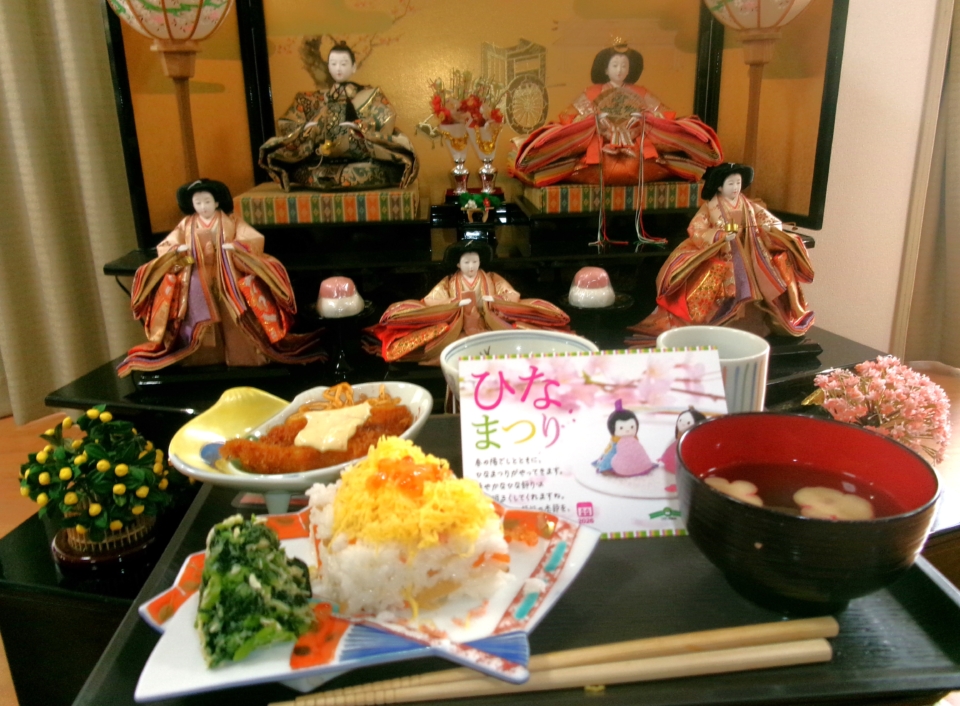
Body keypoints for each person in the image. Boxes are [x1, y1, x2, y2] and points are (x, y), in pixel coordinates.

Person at [118, 179, 324, 377]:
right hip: (195, 272)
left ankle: (244, 357)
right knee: (195, 315)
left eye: (207, 201)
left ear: (216, 202)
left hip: (228, 273)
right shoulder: (186, 224)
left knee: (235, 315)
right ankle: (203, 359)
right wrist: (177, 251)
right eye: (198, 203)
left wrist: (236, 247)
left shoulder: (231, 221)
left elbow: (252, 238)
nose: (203, 207)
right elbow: (167, 246)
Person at [626, 163, 815, 344]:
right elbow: (696, 229)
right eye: (731, 183)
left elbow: (767, 219)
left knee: (768, 277)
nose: (735, 187)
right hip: (722, 252)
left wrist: (768, 226)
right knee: (712, 281)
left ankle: (755, 324)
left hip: (751, 252)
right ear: (719, 186)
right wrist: (719, 236)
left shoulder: (747, 204)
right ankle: (719, 324)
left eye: (738, 183)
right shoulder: (710, 207)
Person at [510, 41, 723, 187]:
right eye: (615, 65)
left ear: (630, 69)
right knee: (575, 143)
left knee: (661, 143)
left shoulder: (640, 92)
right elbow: (570, 119)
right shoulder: (592, 92)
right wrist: (595, 122)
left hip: (635, 143)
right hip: (601, 143)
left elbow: (664, 116)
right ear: (605, 69)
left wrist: (642, 121)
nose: (619, 70)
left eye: (624, 65)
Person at [364, 240, 571, 364]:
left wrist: (495, 300)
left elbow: (511, 294)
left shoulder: (491, 278)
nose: (471, 266)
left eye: (475, 262)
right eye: (466, 262)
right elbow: (433, 299)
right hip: (459, 326)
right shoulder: (450, 281)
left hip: (490, 323)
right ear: (458, 264)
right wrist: (454, 302)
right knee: (436, 346)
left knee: (518, 339)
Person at [259, 42, 418, 191]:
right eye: (333, 64)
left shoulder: (370, 95)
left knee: (367, 172)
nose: (338, 68)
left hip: (363, 162)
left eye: (343, 64)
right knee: (309, 173)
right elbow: (289, 123)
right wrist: (306, 129)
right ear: (328, 67)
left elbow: (385, 118)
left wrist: (362, 127)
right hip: (319, 163)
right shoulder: (310, 100)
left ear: (353, 67)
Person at [592, 402, 656, 477]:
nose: (627, 430)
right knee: (611, 455)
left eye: (632, 427)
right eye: (621, 428)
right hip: (618, 460)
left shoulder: (634, 441)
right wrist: (604, 467)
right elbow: (610, 455)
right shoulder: (615, 442)